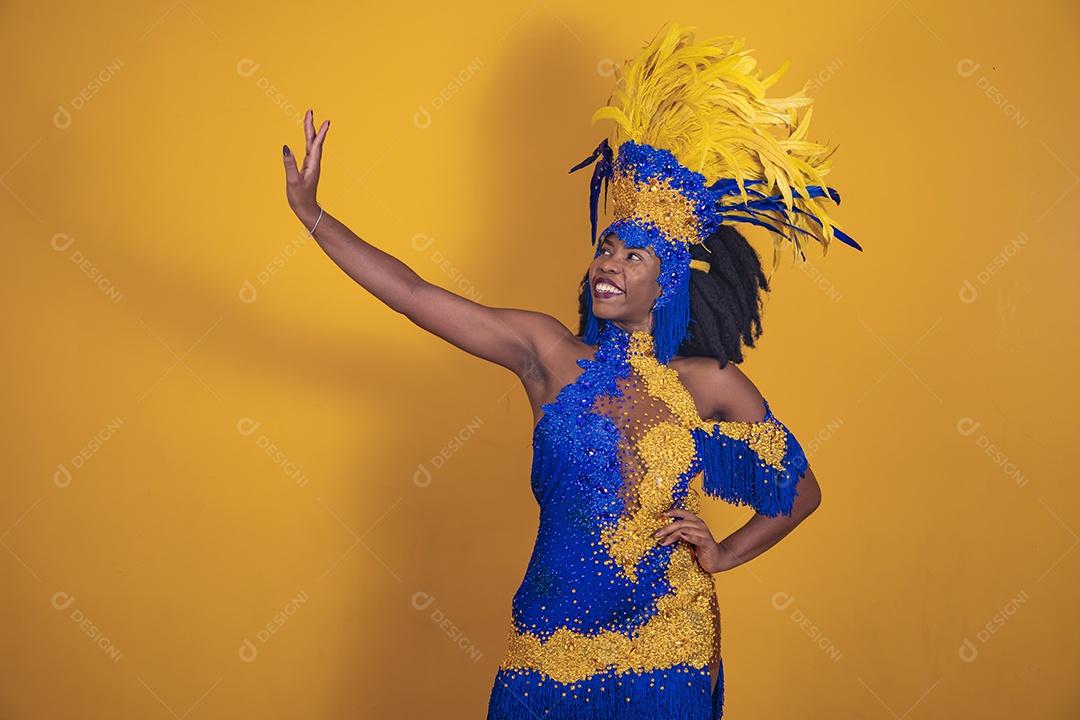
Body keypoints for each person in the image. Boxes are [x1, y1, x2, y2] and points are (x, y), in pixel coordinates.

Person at [282, 23, 857, 720]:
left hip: (671, 641)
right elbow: (413, 296)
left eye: (633, 256)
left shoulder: (711, 382)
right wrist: (313, 215)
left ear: (668, 283)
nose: (608, 263)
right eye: (606, 248)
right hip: (549, 637)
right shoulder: (547, 353)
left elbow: (801, 491)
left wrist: (723, 553)